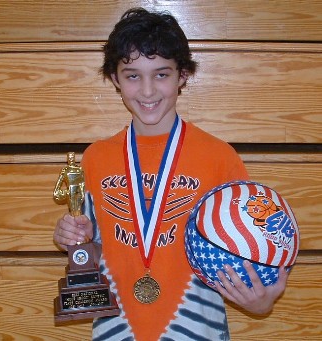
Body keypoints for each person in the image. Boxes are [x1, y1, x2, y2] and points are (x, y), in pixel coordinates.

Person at [53, 7, 289, 341]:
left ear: (182, 76)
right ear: (115, 79)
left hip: (197, 330)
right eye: (133, 75)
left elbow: (255, 249)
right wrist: (69, 236)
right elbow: (89, 248)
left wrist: (262, 301)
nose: (148, 91)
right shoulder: (95, 158)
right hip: (117, 331)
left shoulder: (219, 157)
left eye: (161, 74)